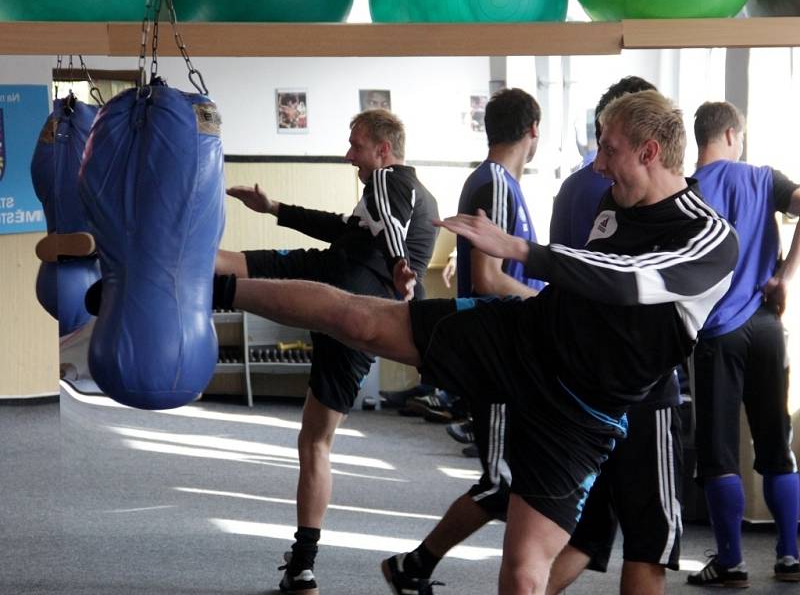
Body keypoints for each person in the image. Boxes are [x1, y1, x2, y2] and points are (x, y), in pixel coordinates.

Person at [212, 90, 739, 594]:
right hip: (523, 337)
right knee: (361, 320)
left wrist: (520, 249)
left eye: (609, 149)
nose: (599, 164)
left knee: (523, 575)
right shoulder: (612, 200)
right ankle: (217, 287)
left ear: (649, 152)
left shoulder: (711, 239)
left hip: (583, 417)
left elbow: (629, 278)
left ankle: (418, 565)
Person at [217, 108, 439, 594]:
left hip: (342, 291)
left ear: (383, 150)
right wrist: (274, 208)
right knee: (315, 440)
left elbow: (386, 216)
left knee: (225, 267)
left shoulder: (391, 181)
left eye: (356, 145)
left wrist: (402, 265)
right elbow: (347, 225)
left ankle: (142, 273)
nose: (348, 155)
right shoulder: (411, 199)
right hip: (359, 316)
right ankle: (303, 564)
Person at [380, 87, 544, 594]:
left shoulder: (499, 183)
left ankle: (421, 567)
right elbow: (492, 280)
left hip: (512, 353)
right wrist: (550, 305)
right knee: (501, 483)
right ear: (533, 131)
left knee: (518, 482)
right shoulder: (495, 182)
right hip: (495, 354)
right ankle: (414, 565)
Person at [546, 77, 684, 595]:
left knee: (585, 536)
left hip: (585, 389)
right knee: (648, 545)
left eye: (607, 146)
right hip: (640, 393)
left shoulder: (578, 190)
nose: (601, 159)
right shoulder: (669, 204)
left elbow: (565, 277)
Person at [686, 100, 800, 587]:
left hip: (716, 332)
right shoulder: (763, 178)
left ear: (701, 138)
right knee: (776, 445)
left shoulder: (686, 191)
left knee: (719, 452)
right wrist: (784, 276)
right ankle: (791, 555)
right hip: (766, 327)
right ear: (732, 135)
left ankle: (731, 561)